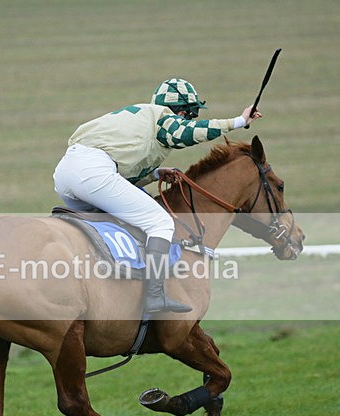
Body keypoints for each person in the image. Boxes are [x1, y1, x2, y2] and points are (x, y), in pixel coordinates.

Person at [53, 78, 262, 314]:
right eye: (189, 114)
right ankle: (154, 295)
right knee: (160, 222)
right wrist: (239, 121)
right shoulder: (163, 117)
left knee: (122, 222)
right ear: (181, 110)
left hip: (65, 174)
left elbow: (120, 177)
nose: (189, 118)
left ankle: (113, 288)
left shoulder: (139, 120)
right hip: (93, 172)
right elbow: (188, 133)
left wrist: (154, 174)